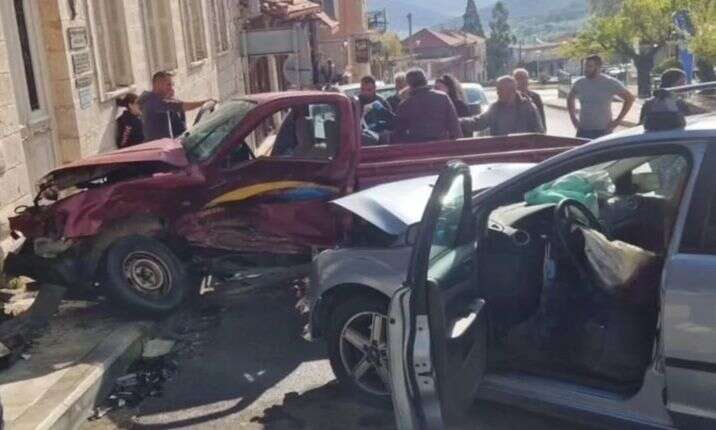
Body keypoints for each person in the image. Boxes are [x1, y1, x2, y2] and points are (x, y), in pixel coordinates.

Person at [568, 54, 635, 139]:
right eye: (585, 66)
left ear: (598, 67)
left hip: (603, 130)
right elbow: (570, 98)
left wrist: (618, 120)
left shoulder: (610, 83)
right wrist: (573, 118)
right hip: (583, 130)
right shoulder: (579, 83)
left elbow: (630, 98)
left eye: (589, 66)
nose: (586, 69)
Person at [139, 71, 214, 141]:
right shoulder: (154, 101)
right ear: (158, 84)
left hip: (163, 145)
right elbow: (183, 106)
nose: (171, 88)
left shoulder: (153, 99)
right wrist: (204, 103)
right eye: (168, 85)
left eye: (172, 85)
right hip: (159, 147)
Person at [393, 68, 463, 143]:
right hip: (442, 145)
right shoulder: (443, 98)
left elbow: (399, 134)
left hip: (416, 147)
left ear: (409, 84)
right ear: (425, 81)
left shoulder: (405, 105)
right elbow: (455, 128)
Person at [465, 76, 544, 136]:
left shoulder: (528, 108)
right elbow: (478, 123)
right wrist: (459, 122)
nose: (497, 92)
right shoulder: (495, 108)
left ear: (512, 90)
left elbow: (539, 134)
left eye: (500, 89)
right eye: (497, 89)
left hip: (523, 150)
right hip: (501, 150)